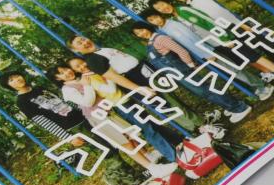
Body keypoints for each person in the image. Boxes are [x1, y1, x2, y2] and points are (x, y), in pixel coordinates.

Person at [0, 70, 145, 185]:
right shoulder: (22, 102)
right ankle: (134, 179)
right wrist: (68, 137)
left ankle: (112, 178)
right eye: (11, 80)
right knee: (105, 152)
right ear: (9, 86)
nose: (17, 80)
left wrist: (84, 110)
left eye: (16, 76)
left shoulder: (39, 88)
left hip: (85, 118)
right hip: (72, 129)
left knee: (111, 145)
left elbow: (64, 101)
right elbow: (42, 121)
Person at [66, 35, 245, 126]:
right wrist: (139, 89)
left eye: (83, 39)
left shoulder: (102, 50)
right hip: (136, 81)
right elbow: (114, 77)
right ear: (77, 51)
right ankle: (200, 127)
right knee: (168, 105)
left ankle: (201, 122)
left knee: (173, 99)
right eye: (79, 44)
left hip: (145, 72)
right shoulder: (93, 60)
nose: (84, 43)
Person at [148, 0, 274, 94]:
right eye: (159, 8)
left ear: (168, 1)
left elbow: (208, 21)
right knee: (247, 60)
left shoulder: (184, 10)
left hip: (224, 39)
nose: (163, 8)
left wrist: (224, 38)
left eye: (162, 4)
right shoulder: (176, 18)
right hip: (216, 44)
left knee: (254, 57)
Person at [48, 65, 178, 180]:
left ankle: (149, 157)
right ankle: (153, 168)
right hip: (98, 117)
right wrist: (86, 85)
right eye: (61, 73)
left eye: (65, 69)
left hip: (109, 111)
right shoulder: (67, 90)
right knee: (125, 143)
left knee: (130, 137)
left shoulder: (81, 78)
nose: (67, 73)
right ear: (58, 79)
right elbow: (87, 102)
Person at [66, 57, 183, 163]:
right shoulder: (88, 79)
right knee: (147, 129)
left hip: (126, 100)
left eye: (82, 62)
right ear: (75, 71)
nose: (82, 66)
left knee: (150, 123)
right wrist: (110, 76)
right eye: (77, 66)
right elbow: (110, 90)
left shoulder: (94, 72)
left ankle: (178, 140)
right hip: (120, 105)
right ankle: (172, 155)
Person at [131, 21, 256, 118]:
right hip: (177, 73)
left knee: (206, 91)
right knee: (204, 92)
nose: (141, 34)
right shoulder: (151, 42)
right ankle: (231, 106)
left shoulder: (160, 38)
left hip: (183, 70)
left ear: (146, 27)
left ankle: (239, 108)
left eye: (141, 30)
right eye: (137, 33)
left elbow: (181, 51)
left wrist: (190, 65)